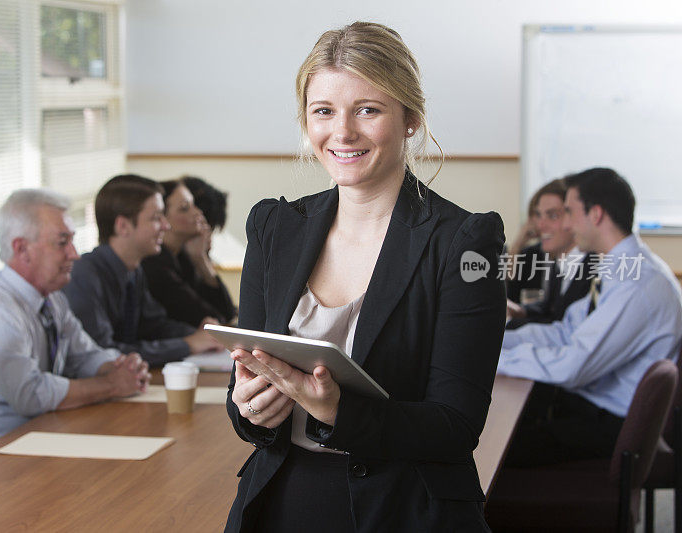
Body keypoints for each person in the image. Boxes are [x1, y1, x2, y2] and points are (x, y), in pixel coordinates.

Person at [224, 22, 506, 532]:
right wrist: (249, 409)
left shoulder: (464, 240)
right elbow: (247, 376)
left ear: (411, 118)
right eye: (324, 112)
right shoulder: (274, 227)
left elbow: (455, 426)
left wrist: (338, 411)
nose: (343, 132)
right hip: (281, 500)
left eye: (368, 110)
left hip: (405, 509)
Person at [496, 167, 682, 467]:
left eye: (569, 212)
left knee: (491, 444)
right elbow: (566, 330)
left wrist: (494, 360)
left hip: (612, 428)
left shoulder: (638, 284)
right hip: (594, 404)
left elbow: (574, 365)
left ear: (596, 214)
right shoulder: (620, 267)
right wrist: (495, 342)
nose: (566, 224)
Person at [0, 189, 149, 440]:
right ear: (22, 249)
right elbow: (29, 395)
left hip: (49, 433)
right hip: (0, 447)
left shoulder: (52, 298)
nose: (75, 254)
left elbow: (84, 356)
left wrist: (121, 367)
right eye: (62, 243)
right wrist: (112, 385)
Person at [62, 175, 222, 367]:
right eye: (156, 218)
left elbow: (154, 324)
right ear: (123, 226)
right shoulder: (85, 276)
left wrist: (202, 335)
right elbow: (103, 353)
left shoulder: (133, 270)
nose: (166, 225)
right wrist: (187, 344)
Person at [141, 179, 236, 326]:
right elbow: (213, 321)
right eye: (185, 208)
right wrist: (200, 259)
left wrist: (201, 259)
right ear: (162, 218)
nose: (198, 213)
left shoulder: (182, 257)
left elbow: (228, 313)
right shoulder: (154, 264)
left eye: (193, 205)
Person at [505, 178, 596, 329]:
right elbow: (550, 310)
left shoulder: (596, 270)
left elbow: (562, 327)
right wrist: (521, 311)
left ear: (573, 217)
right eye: (539, 215)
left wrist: (510, 324)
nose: (540, 225)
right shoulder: (561, 262)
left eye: (552, 216)